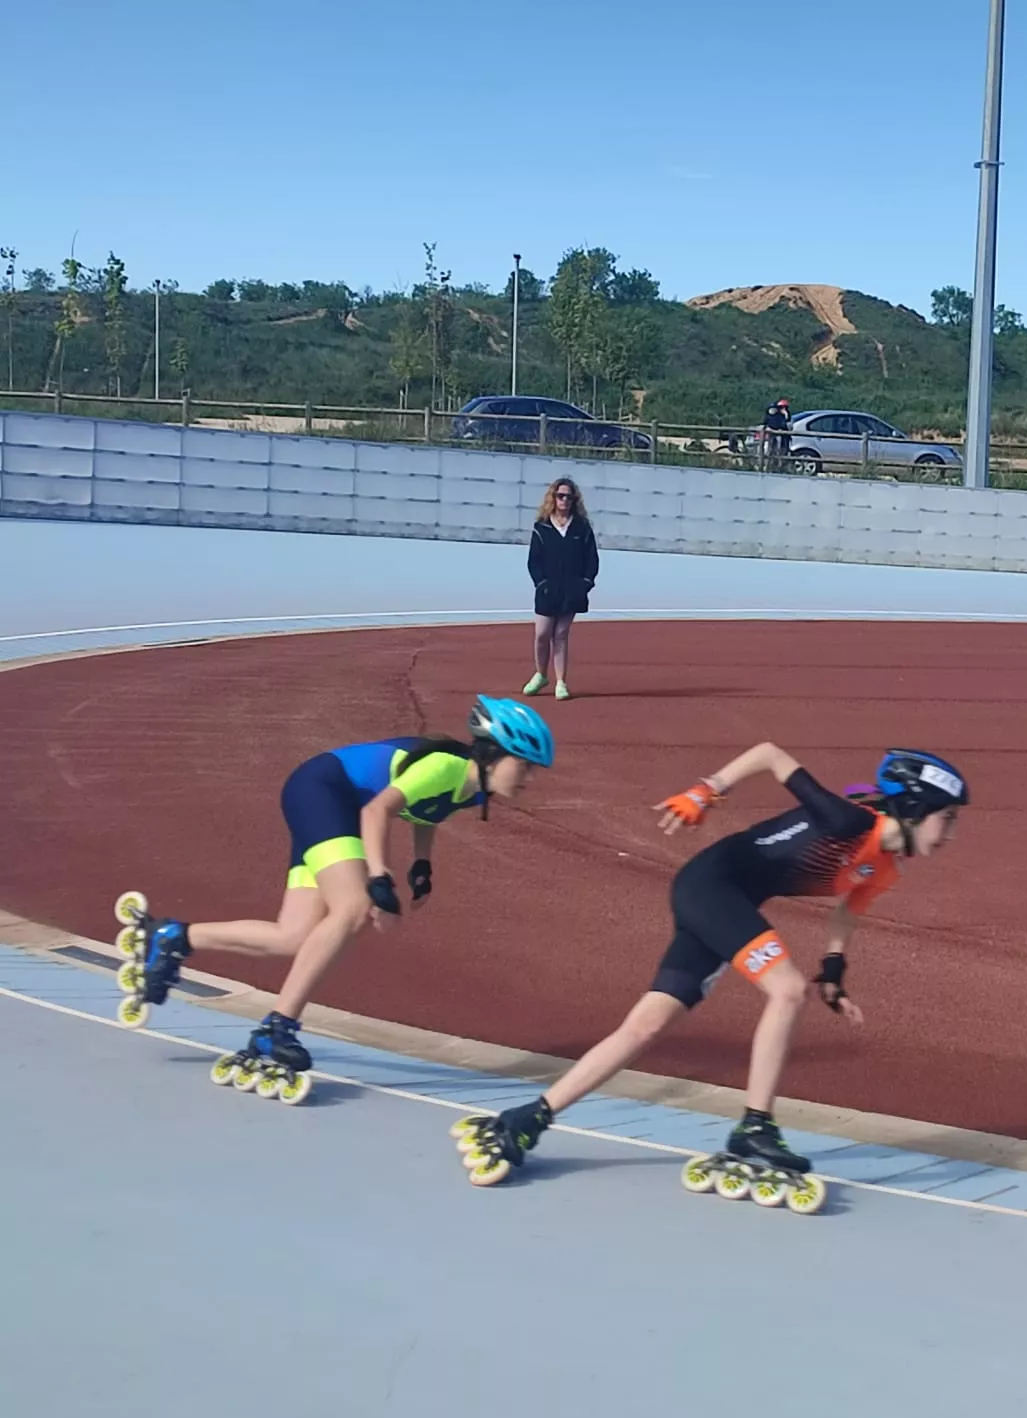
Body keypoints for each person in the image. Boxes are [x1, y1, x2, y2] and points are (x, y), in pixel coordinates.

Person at [451, 742, 969, 1193]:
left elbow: (847, 911)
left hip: (726, 901)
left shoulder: (886, 866)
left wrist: (833, 969)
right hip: (712, 886)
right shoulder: (847, 821)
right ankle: (755, 1126)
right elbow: (769, 753)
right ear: (915, 808)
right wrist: (706, 790)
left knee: (646, 1025)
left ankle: (528, 1119)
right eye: (947, 818)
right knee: (787, 990)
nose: (951, 833)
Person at [115, 697, 555, 1103]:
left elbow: (426, 811)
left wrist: (422, 864)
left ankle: (173, 937)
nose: (530, 778)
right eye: (525, 765)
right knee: (352, 909)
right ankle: (278, 1026)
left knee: (294, 936)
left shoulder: (474, 789)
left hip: (328, 802)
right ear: (492, 755)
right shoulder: (445, 766)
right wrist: (379, 878)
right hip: (325, 793)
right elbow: (377, 810)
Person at [523, 477, 598, 702]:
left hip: (572, 590)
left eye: (569, 497)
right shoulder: (542, 527)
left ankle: (561, 682)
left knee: (561, 634)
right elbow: (533, 561)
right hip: (547, 590)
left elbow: (592, 559)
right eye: (560, 496)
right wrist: (541, 583)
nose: (564, 500)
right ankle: (540, 674)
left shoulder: (582, 528)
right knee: (542, 634)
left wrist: (585, 583)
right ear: (553, 498)